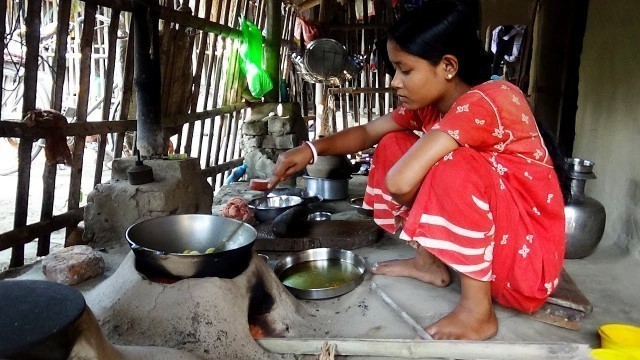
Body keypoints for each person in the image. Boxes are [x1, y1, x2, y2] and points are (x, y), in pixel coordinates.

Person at [269, 0, 566, 341]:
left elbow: (399, 182)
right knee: (395, 143)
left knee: (454, 167)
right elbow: (367, 132)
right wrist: (309, 150)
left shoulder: (490, 99)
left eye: (405, 70)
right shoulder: (432, 107)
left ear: (449, 66)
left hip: (525, 270)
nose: (395, 82)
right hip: (498, 253)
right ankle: (429, 262)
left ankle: (477, 313)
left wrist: (424, 193)